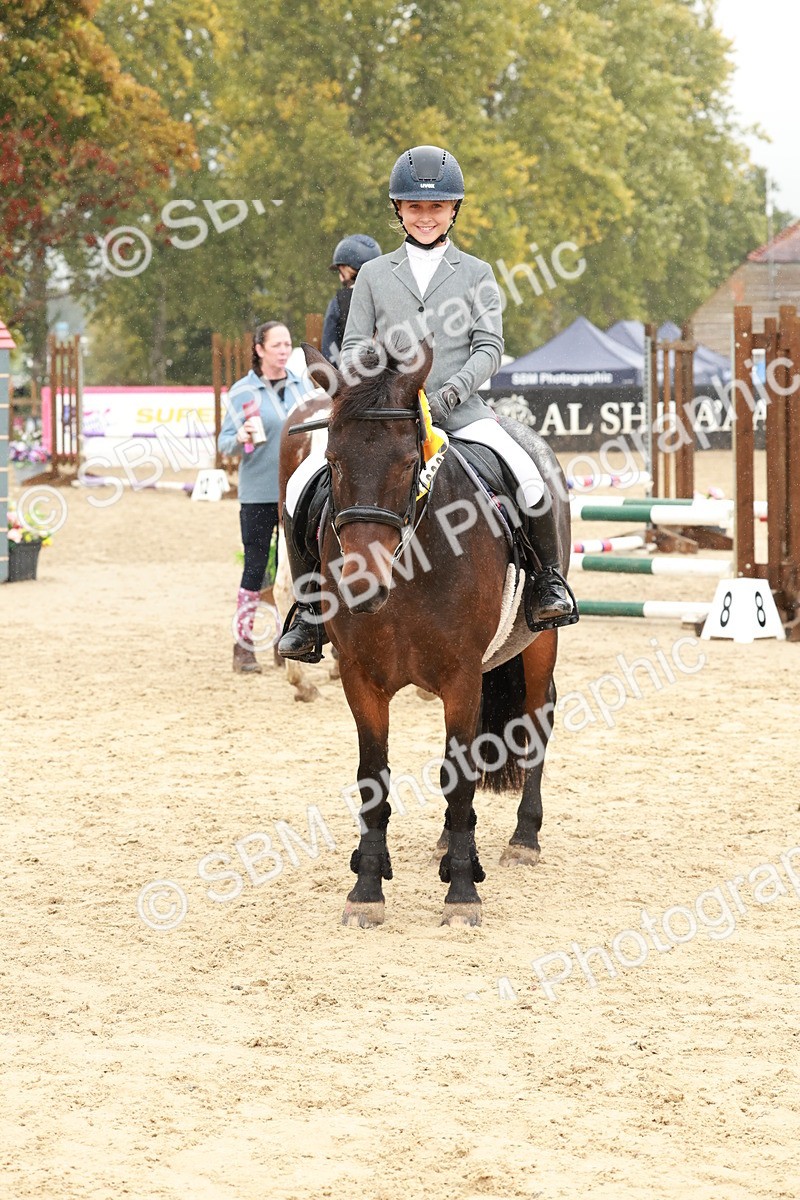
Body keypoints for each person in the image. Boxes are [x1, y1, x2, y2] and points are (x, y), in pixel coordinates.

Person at [278, 145, 574, 662]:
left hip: (460, 412)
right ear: (398, 209)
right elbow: (351, 347)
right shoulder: (373, 275)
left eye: (436, 207)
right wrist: (372, 386)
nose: (426, 216)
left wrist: (449, 393)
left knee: (529, 474)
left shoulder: (477, 272)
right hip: (385, 417)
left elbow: (490, 348)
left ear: (454, 209)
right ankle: (309, 611)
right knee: (303, 483)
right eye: (415, 207)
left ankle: (546, 583)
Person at [218, 320, 313, 673]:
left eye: (288, 344)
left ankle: (285, 640)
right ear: (259, 349)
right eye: (277, 345)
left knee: (296, 567)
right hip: (257, 492)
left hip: (296, 491)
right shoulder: (243, 392)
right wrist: (241, 435)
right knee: (256, 568)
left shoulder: (302, 387)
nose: (284, 350)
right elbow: (224, 443)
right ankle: (243, 647)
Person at [321, 234, 382, 364]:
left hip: (351, 376)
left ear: (344, 268)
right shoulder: (390, 295)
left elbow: (329, 348)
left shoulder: (338, 302)